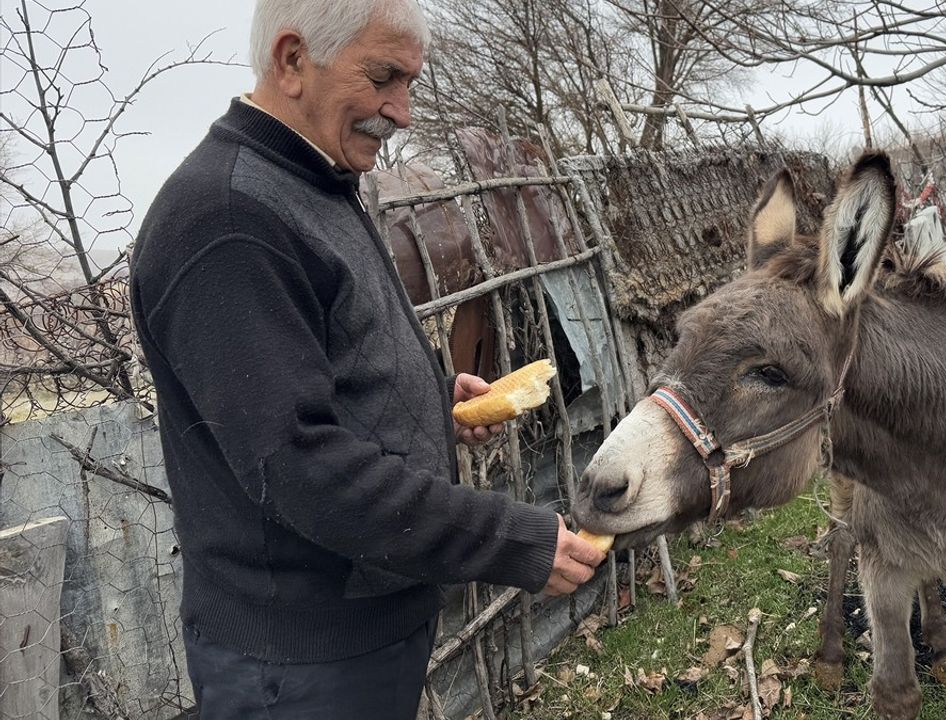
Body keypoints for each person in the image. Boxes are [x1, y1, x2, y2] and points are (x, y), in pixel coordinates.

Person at [128, 1, 604, 717]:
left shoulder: (310, 184)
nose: (403, 112)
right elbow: (303, 469)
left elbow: (317, 375)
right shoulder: (227, 223)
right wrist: (511, 538)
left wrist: (433, 403)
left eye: (410, 82)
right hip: (297, 664)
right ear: (292, 60)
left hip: (354, 638)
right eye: (385, 77)